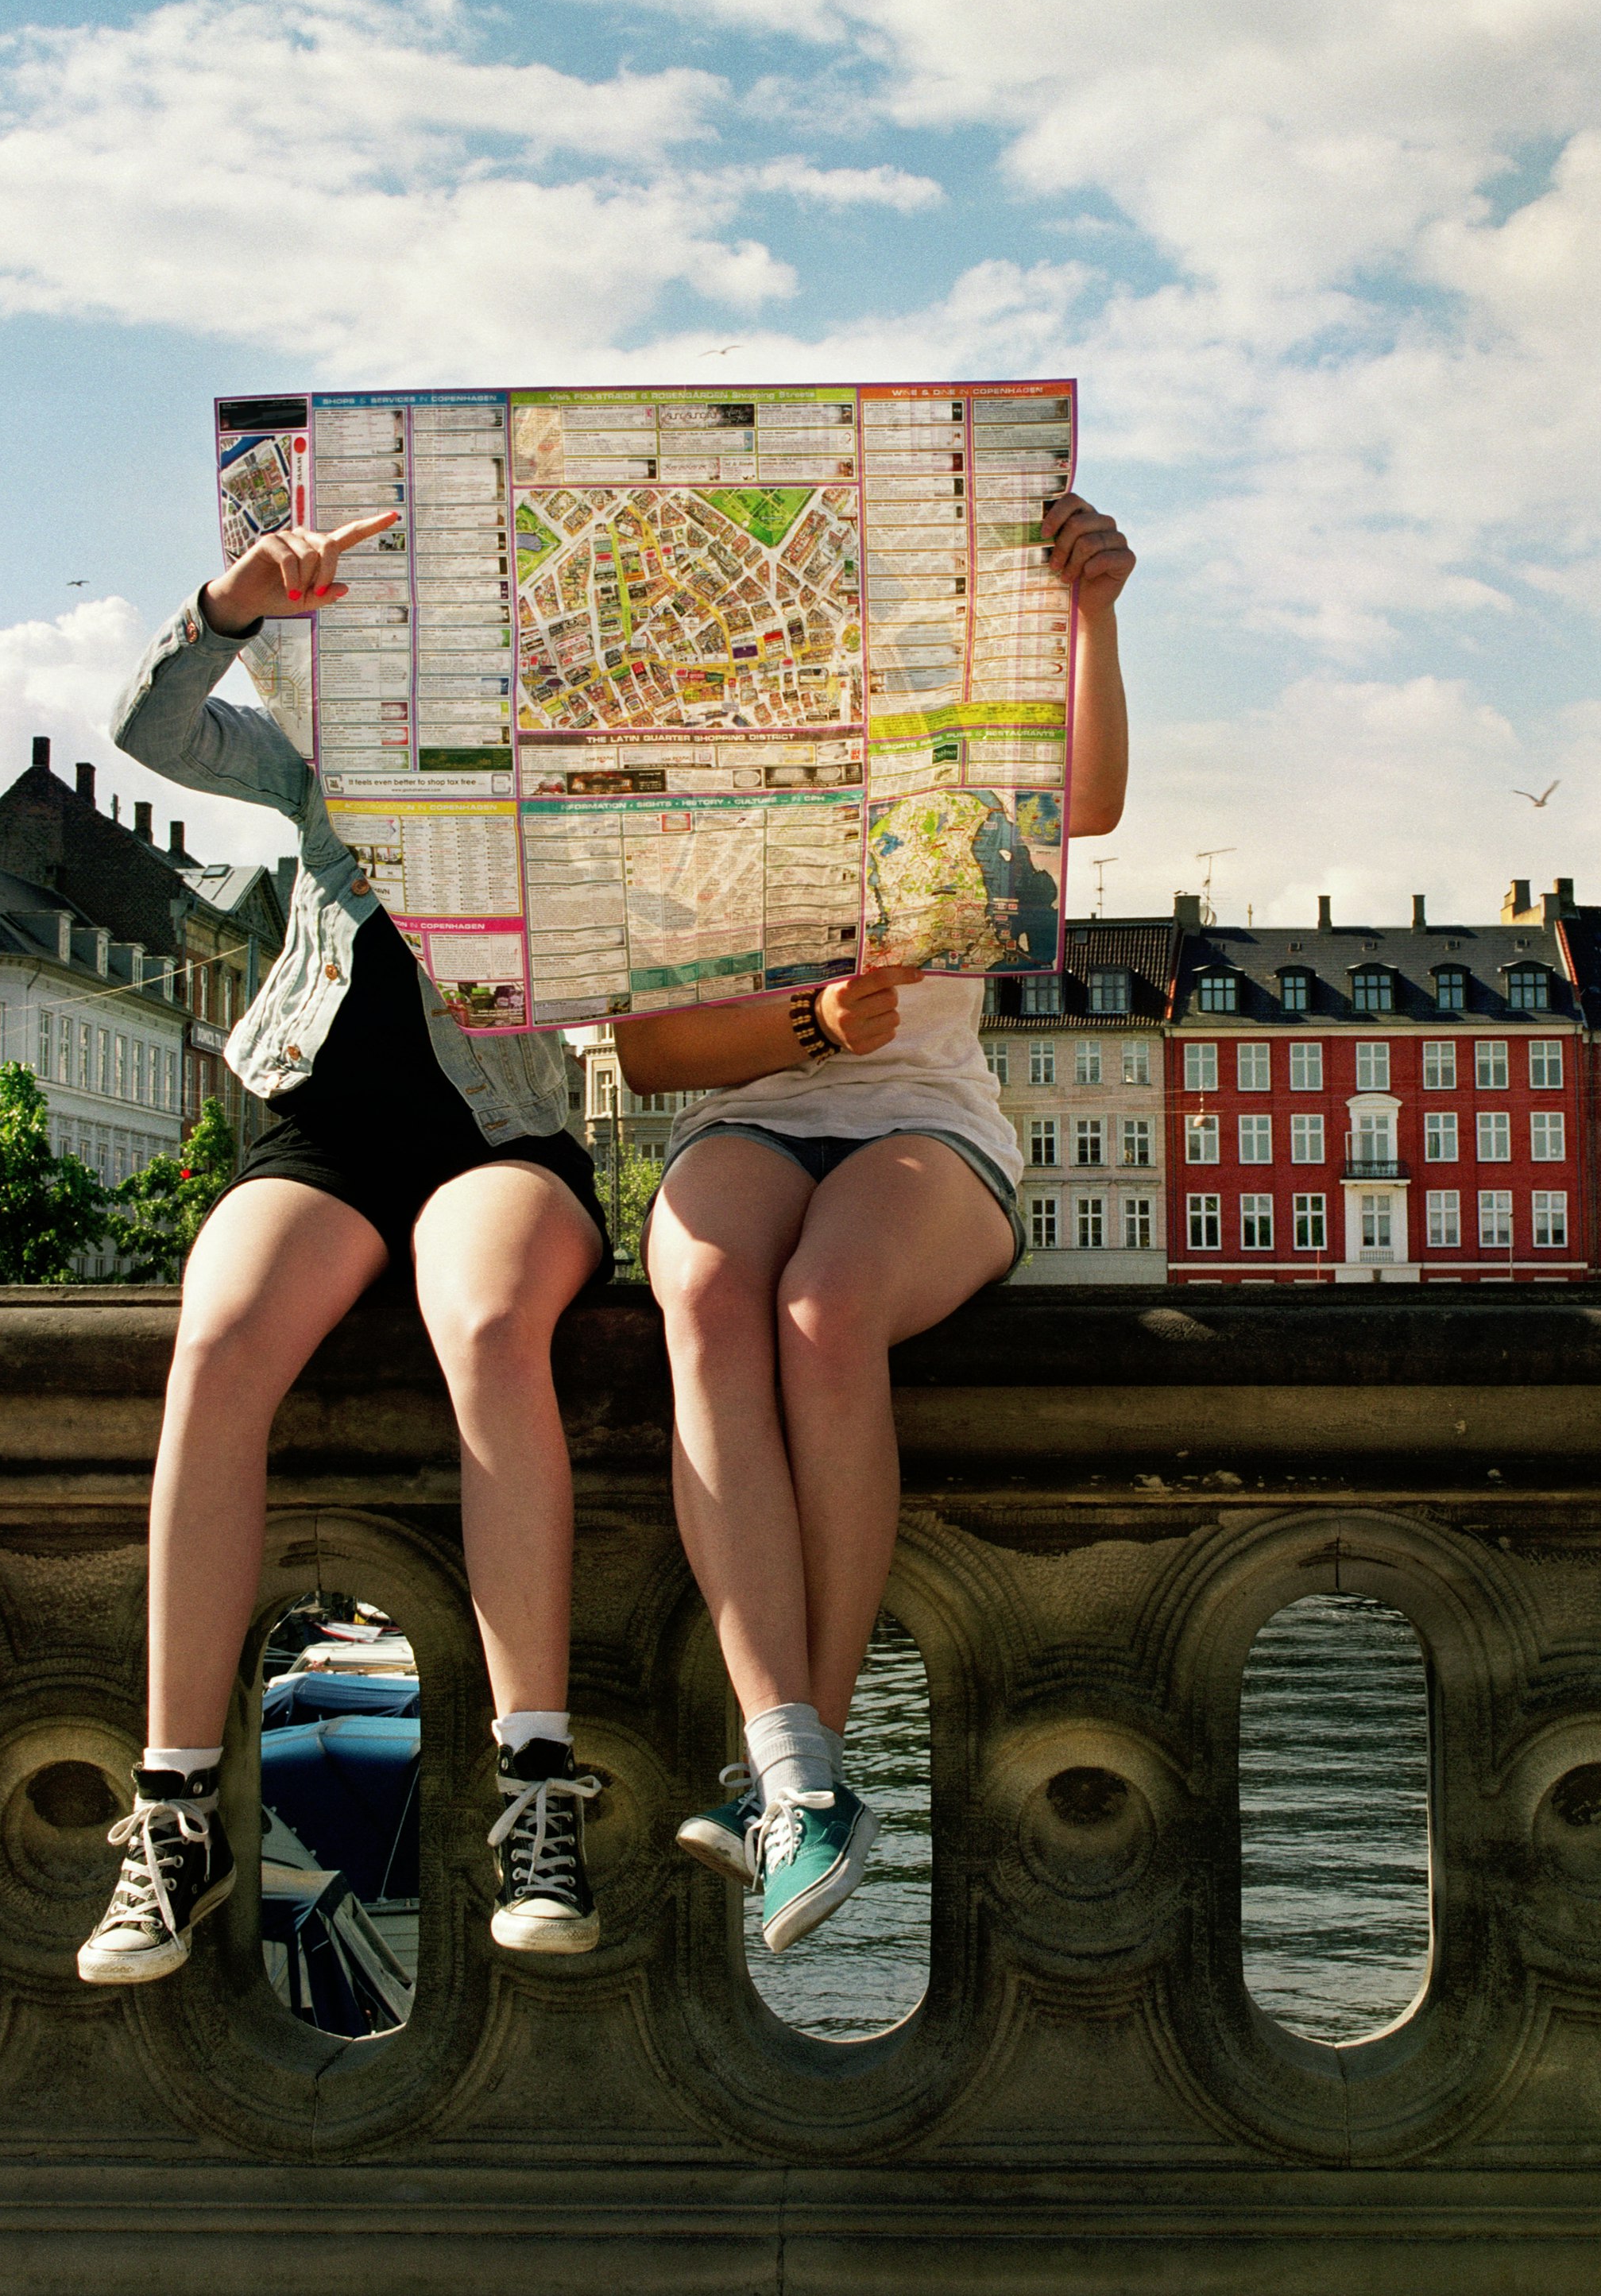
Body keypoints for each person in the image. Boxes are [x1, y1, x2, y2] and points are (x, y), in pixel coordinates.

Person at [77, 511, 611, 1985]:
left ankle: (536, 1788)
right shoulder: (323, 754)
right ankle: (175, 1808)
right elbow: (149, 729)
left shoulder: (570, 766)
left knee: (488, 1325)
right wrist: (227, 604)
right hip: (316, 1122)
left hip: (496, 1130)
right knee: (220, 1338)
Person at [619, 490, 1137, 1953]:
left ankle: (798, 1767)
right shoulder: (691, 788)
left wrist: (1094, 610)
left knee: (821, 1308)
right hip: (750, 1111)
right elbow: (653, 1058)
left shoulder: (953, 761)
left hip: (930, 1125)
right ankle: (801, 1780)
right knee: (710, 1293)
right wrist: (806, 1021)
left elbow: (1084, 801)